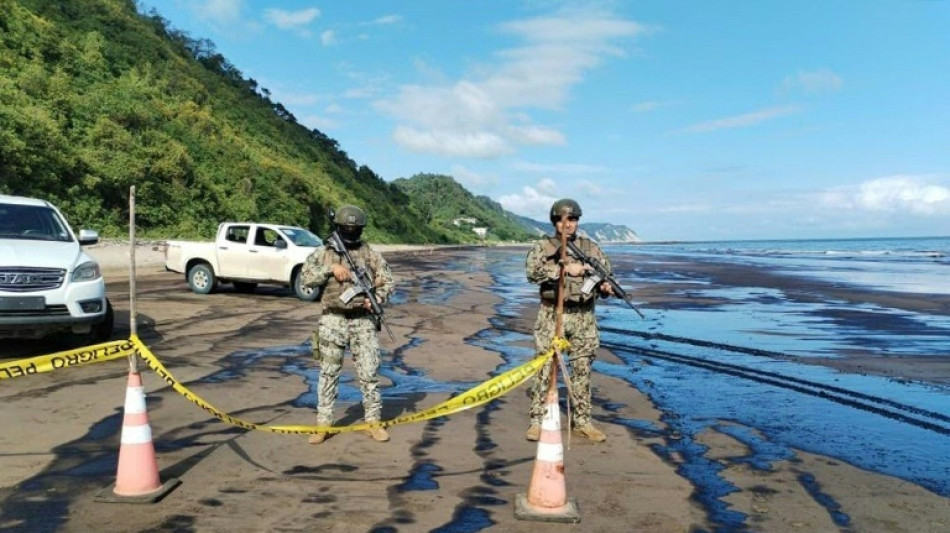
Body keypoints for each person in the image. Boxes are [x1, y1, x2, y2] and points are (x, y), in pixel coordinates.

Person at [300, 205, 395, 444]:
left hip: (362, 321)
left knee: (369, 372)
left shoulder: (370, 254)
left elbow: (388, 281)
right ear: (339, 227)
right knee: (328, 372)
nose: (351, 232)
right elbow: (306, 278)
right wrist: (330, 269)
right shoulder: (323, 252)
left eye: (355, 228)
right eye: (347, 228)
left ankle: (372, 422)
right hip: (333, 318)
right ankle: (323, 424)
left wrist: (376, 301)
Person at [524, 198, 614, 443]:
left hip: (584, 316)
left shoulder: (590, 247)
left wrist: (605, 287)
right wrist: (563, 270)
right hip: (553, 315)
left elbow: (605, 274)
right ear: (555, 221)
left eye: (573, 219)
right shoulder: (543, 246)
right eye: (563, 219)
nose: (569, 224)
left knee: (582, 369)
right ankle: (537, 421)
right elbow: (532, 272)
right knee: (544, 367)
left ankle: (582, 421)